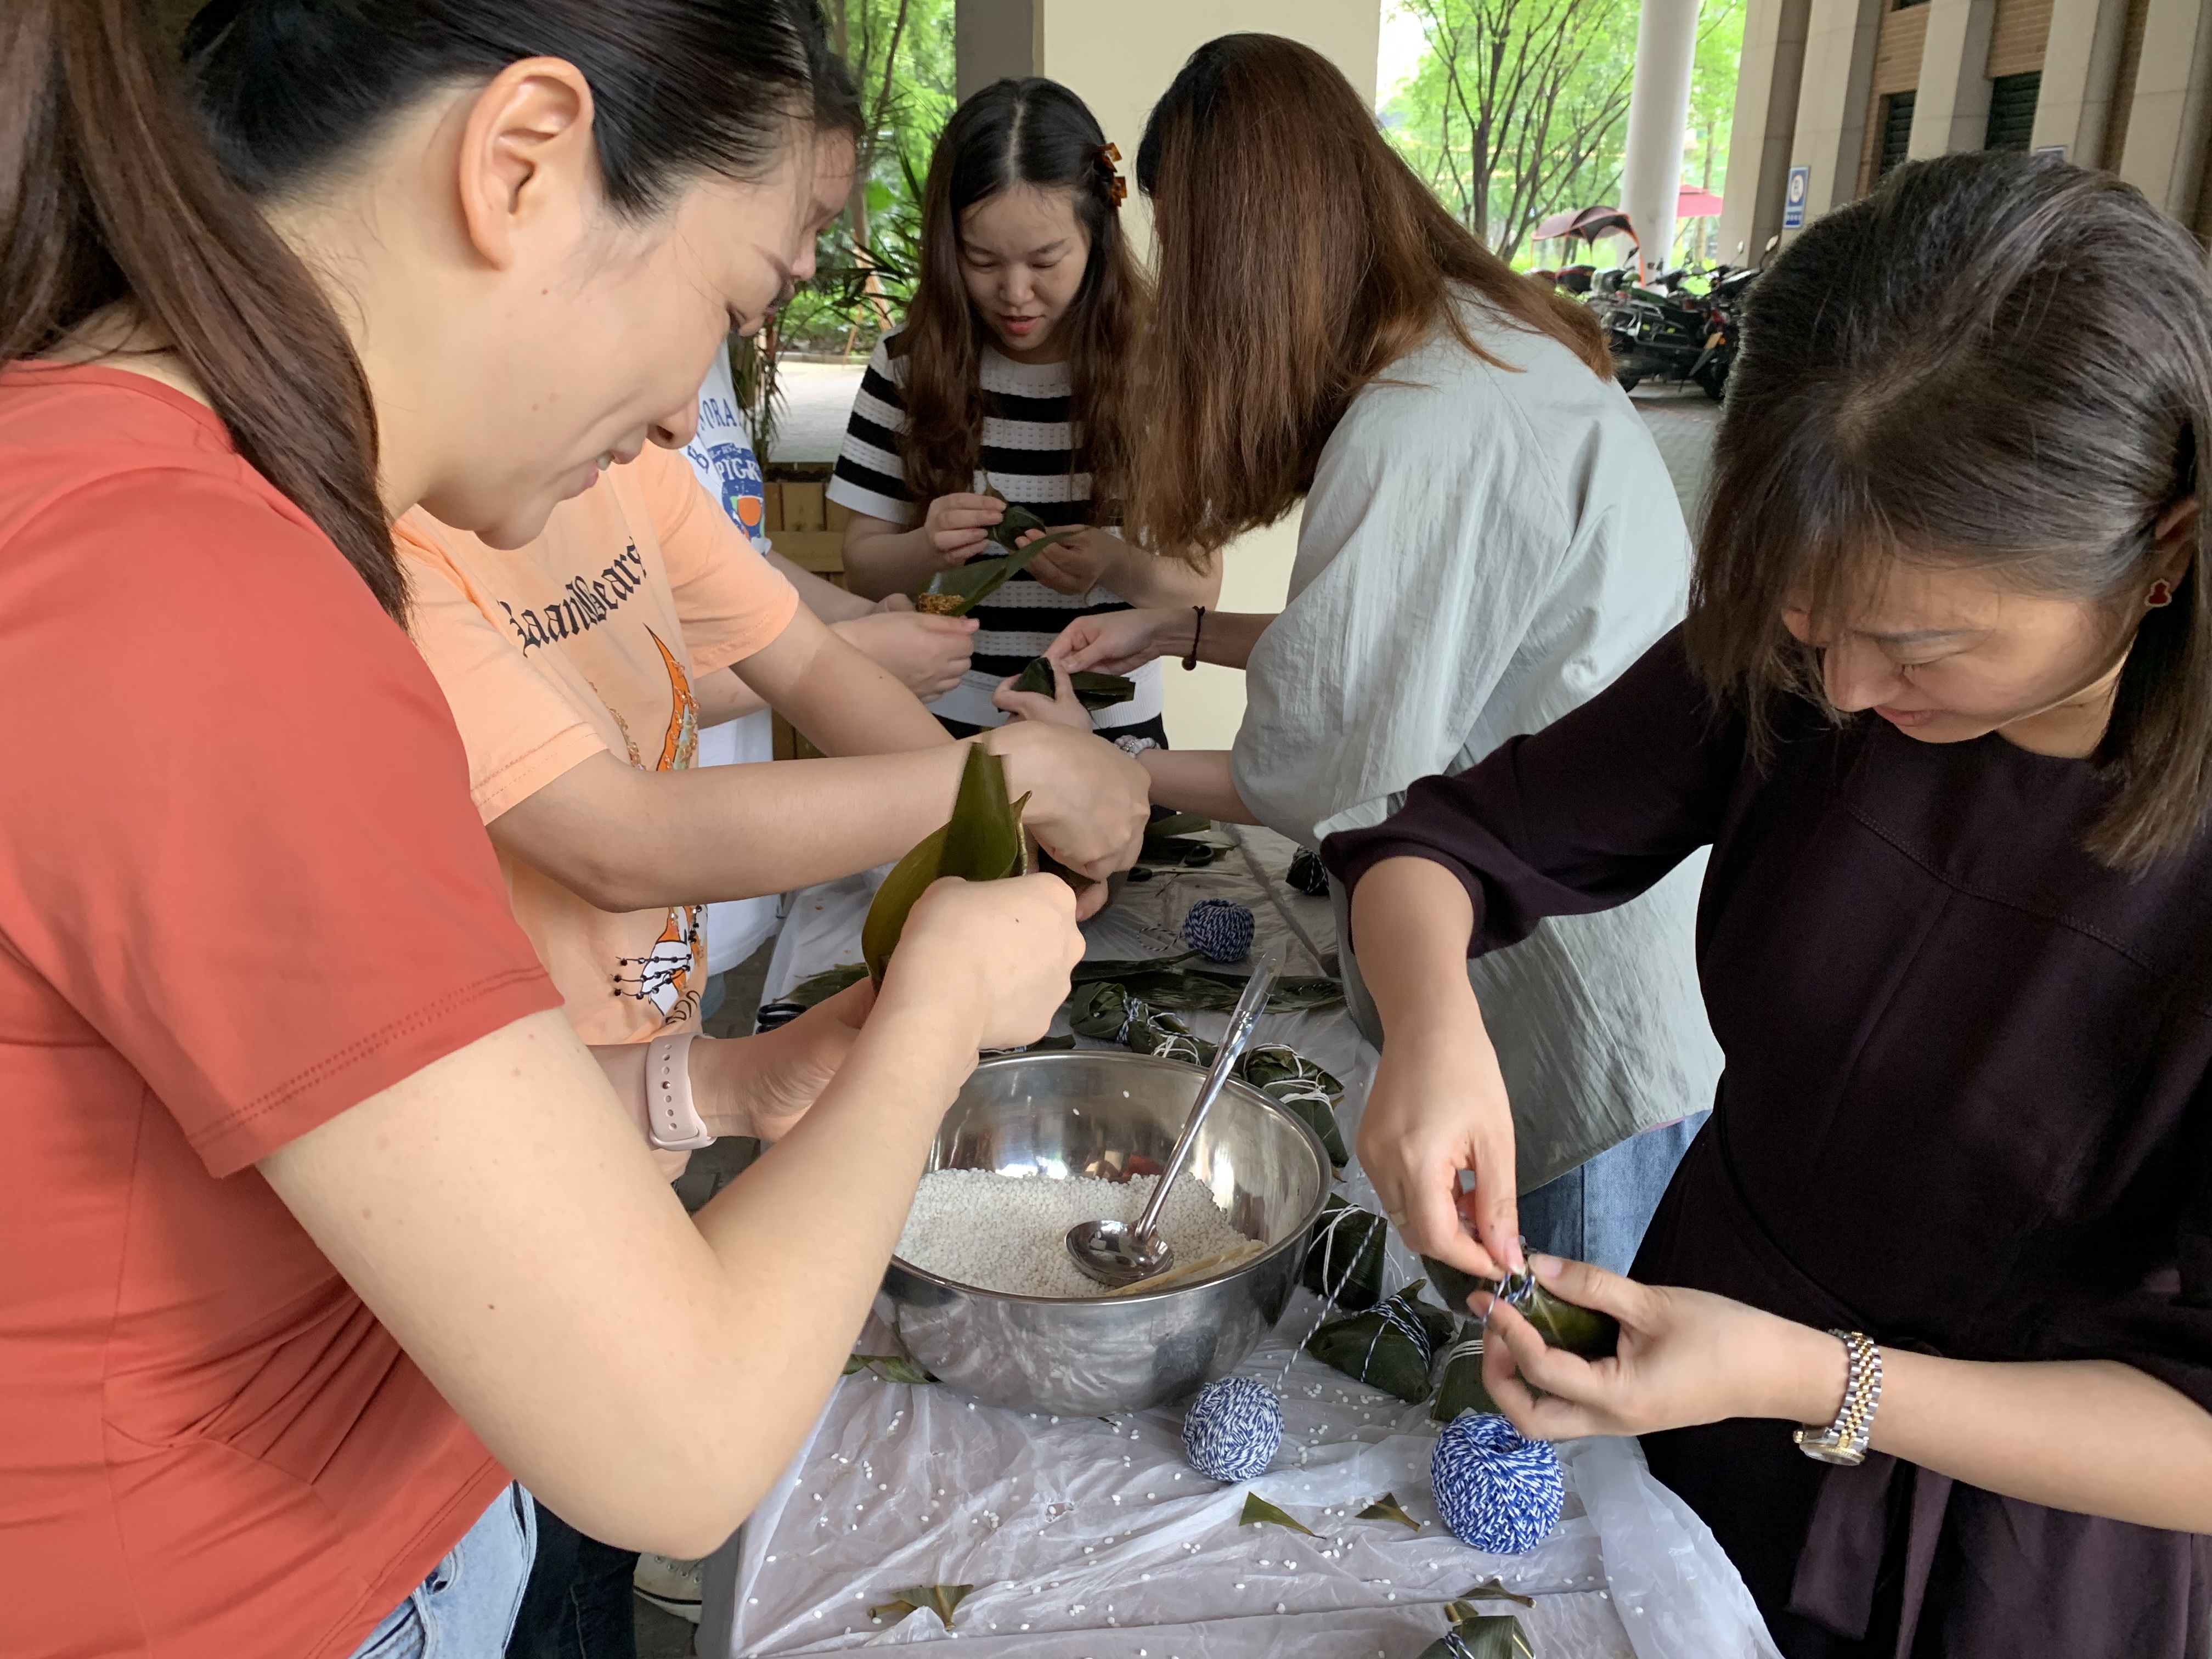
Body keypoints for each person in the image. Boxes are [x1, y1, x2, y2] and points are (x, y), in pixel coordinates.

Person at [0, 7, 1111, 1659]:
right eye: (727, 306)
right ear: (521, 161)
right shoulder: (197, 593)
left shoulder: (124, 492)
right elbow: (680, 1450)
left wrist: (716, 1084)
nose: (675, 421)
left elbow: (334, 1121)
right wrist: (939, 1013)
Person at [1325, 152, 2212, 1655]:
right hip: (1702, 1382)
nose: (1848, 691)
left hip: (2024, 1539)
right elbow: (1447, 845)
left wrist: (1814, 1377)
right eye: (1810, 624)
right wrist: (1433, 1027)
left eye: (1920, 649)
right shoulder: (1805, 661)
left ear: (2162, 552)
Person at [1015, 34, 1718, 1273]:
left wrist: (1105, 769)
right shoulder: (1483, 342)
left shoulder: (1421, 423)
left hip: (1572, 1007)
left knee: (1557, 1360)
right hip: (1618, 956)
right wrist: (1178, 632)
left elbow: (1325, 773)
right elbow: (1421, 646)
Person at [831, 76, 1218, 754]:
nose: (1015, 293)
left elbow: (1201, 588)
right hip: (938, 725)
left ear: (1097, 235)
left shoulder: (1164, 368)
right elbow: (862, 565)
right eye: (981, 260)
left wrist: (1113, 562)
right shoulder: (906, 363)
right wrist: (927, 547)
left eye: (1046, 260)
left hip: (1110, 727)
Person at [685, 334, 978, 1003]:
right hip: (638, 899)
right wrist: (861, 648)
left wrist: (859, 623)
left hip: (709, 885)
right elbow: (629, 681)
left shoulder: (706, 354)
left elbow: (743, 560)